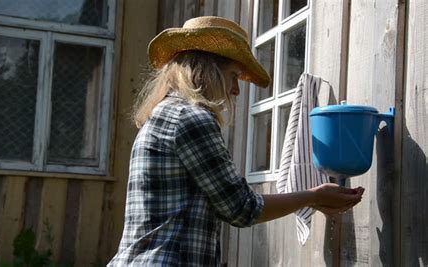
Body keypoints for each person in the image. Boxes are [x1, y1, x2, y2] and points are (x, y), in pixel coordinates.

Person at [108, 16, 364, 266]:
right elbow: (241, 208)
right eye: (233, 76)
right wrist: (312, 197)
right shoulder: (191, 119)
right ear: (208, 69)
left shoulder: (162, 115)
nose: (236, 90)